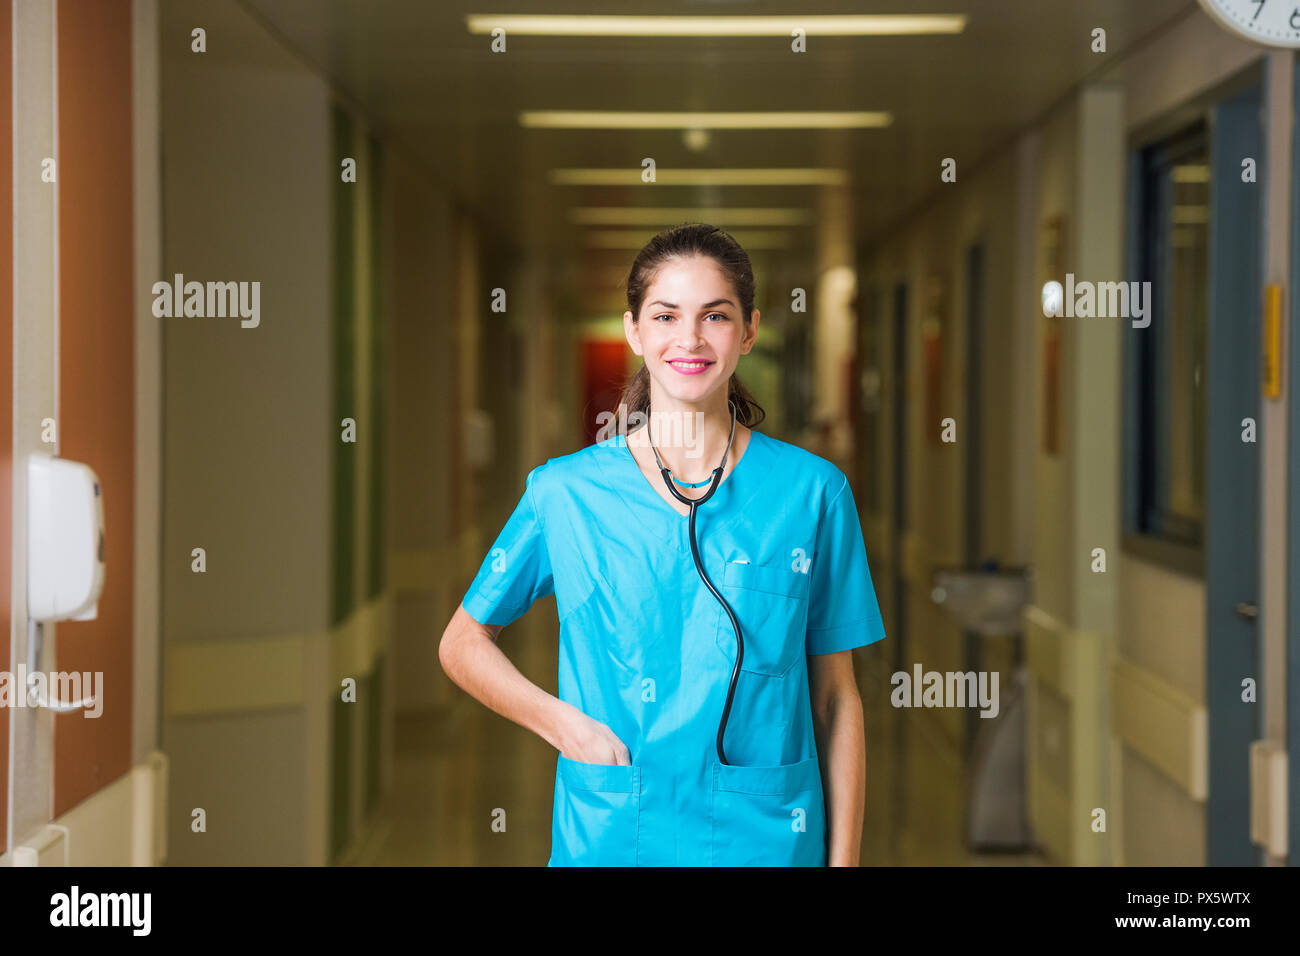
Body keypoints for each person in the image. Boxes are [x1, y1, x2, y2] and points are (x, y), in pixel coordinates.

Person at [439, 223, 886, 866]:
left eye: (716, 316)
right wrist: (563, 725)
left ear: (750, 330)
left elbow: (837, 698)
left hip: (767, 837)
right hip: (617, 833)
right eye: (666, 315)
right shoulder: (565, 494)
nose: (690, 339)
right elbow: (461, 643)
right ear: (634, 331)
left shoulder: (813, 493)